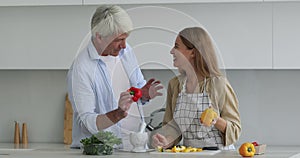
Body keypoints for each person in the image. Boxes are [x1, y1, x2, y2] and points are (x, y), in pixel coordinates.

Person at [67, 5, 163, 148]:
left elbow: (134, 92)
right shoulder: (81, 69)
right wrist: (118, 114)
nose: (124, 45)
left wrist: (143, 94)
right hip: (102, 150)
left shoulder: (126, 52)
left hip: (134, 147)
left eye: (126, 38)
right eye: (119, 40)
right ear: (99, 36)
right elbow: (87, 122)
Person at [152, 27, 241, 150]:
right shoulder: (175, 85)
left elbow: (235, 129)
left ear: (193, 53)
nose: (172, 51)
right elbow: (172, 127)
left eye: (176, 46)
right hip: (190, 153)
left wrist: (216, 120)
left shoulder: (218, 84)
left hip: (219, 154)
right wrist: (166, 141)